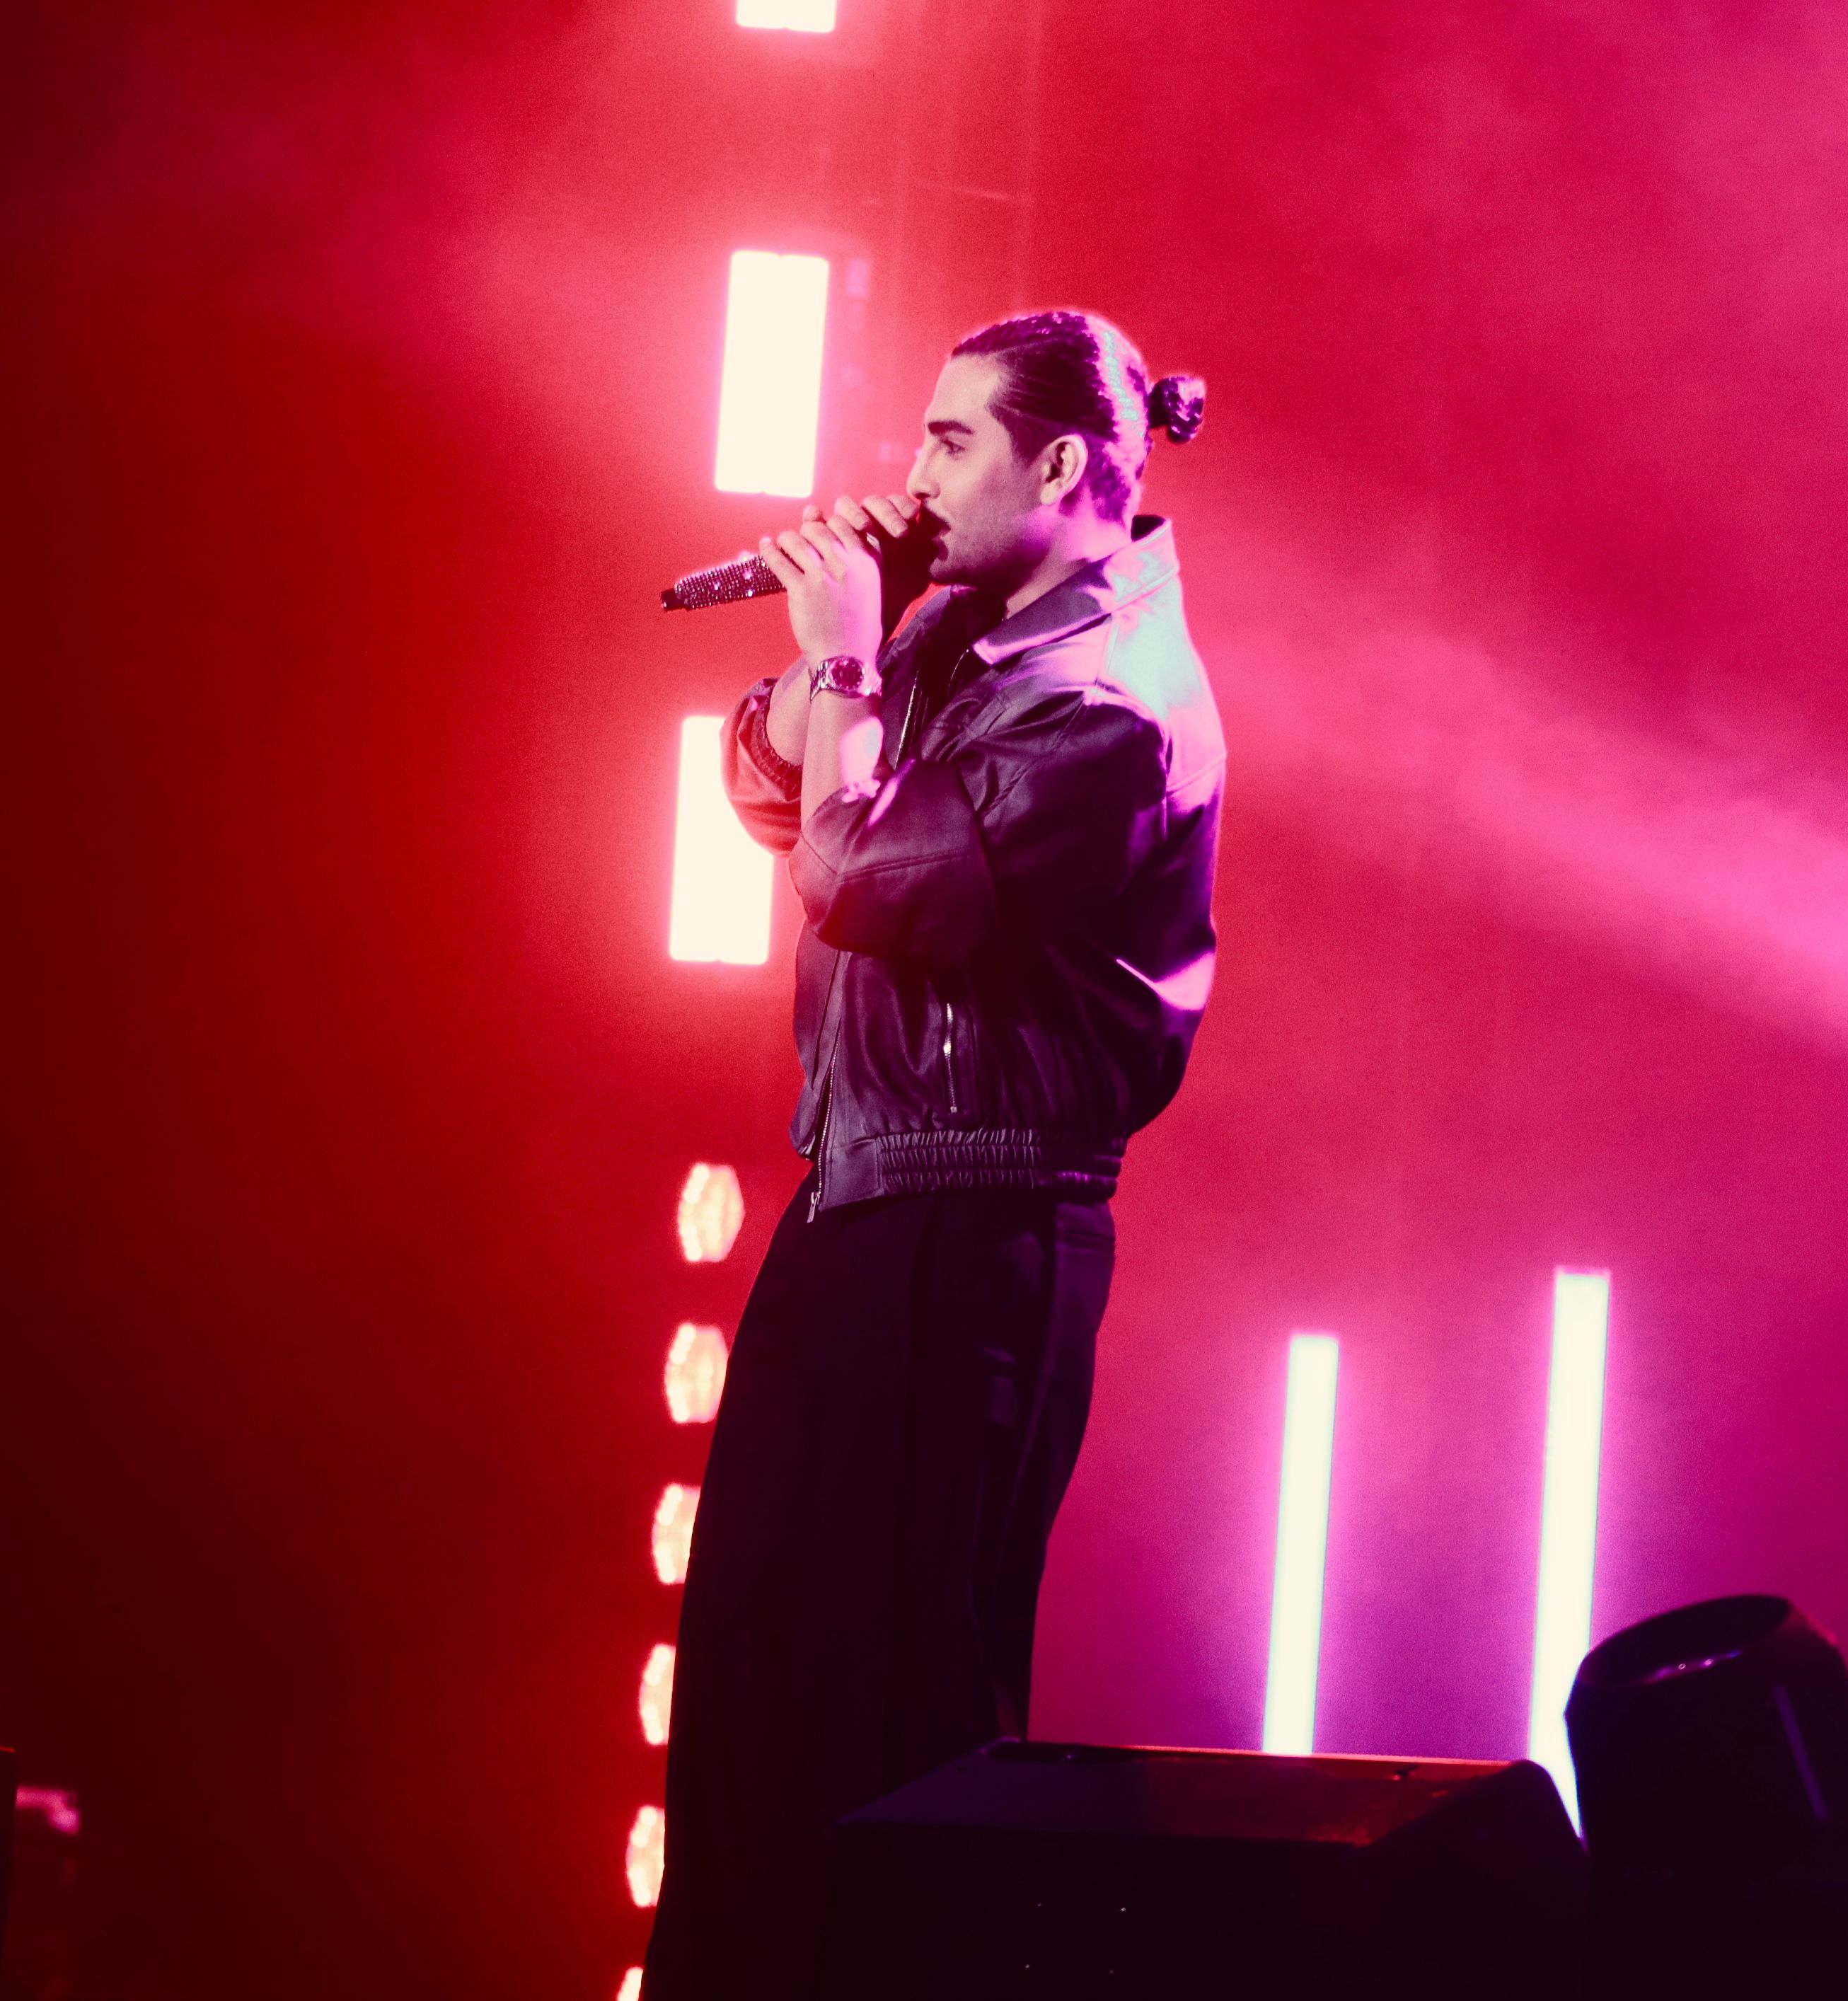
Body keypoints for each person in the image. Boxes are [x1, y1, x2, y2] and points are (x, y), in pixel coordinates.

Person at [642, 309, 1221, 2000]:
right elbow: (770, 792)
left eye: (953, 441)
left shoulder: (1115, 703)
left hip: (973, 1240)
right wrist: (857, 648)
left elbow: (861, 874)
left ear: (1062, 465)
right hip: (858, 1208)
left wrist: (846, 664)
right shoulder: (966, 632)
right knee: (753, 1703)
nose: (914, 474)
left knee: (889, 1723)